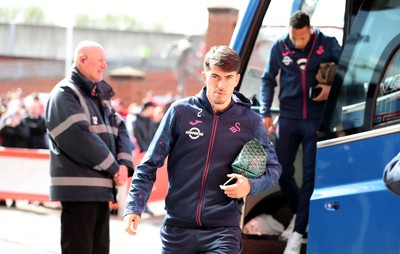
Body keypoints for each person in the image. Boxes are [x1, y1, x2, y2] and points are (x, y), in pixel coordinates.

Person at [123, 45, 282, 253]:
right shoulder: (180, 112)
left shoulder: (250, 121)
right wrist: (134, 205)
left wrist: (250, 186)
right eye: (215, 76)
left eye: (228, 77)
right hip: (177, 230)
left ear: (236, 79)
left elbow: (274, 169)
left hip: (223, 231)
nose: (221, 85)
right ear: (204, 76)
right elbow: (149, 164)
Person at [259, 11, 341, 254]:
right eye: (295, 38)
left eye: (303, 38)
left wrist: (330, 88)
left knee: (310, 177)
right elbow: (267, 79)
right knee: (280, 170)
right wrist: (265, 112)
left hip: (317, 119)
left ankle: (297, 235)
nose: (298, 42)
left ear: (311, 29)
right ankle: (300, 215)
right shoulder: (280, 46)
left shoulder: (328, 44)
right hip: (289, 118)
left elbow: (349, 71)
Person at [45, 40, 134, 254]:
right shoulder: (65, 93)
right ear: (81, 59)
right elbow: (80, 137)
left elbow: (120, 128)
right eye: (100, 61)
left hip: (100, 190)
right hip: (80, 191)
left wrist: (123, 164)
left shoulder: (99, 97)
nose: (105, 66)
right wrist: (115, 168)